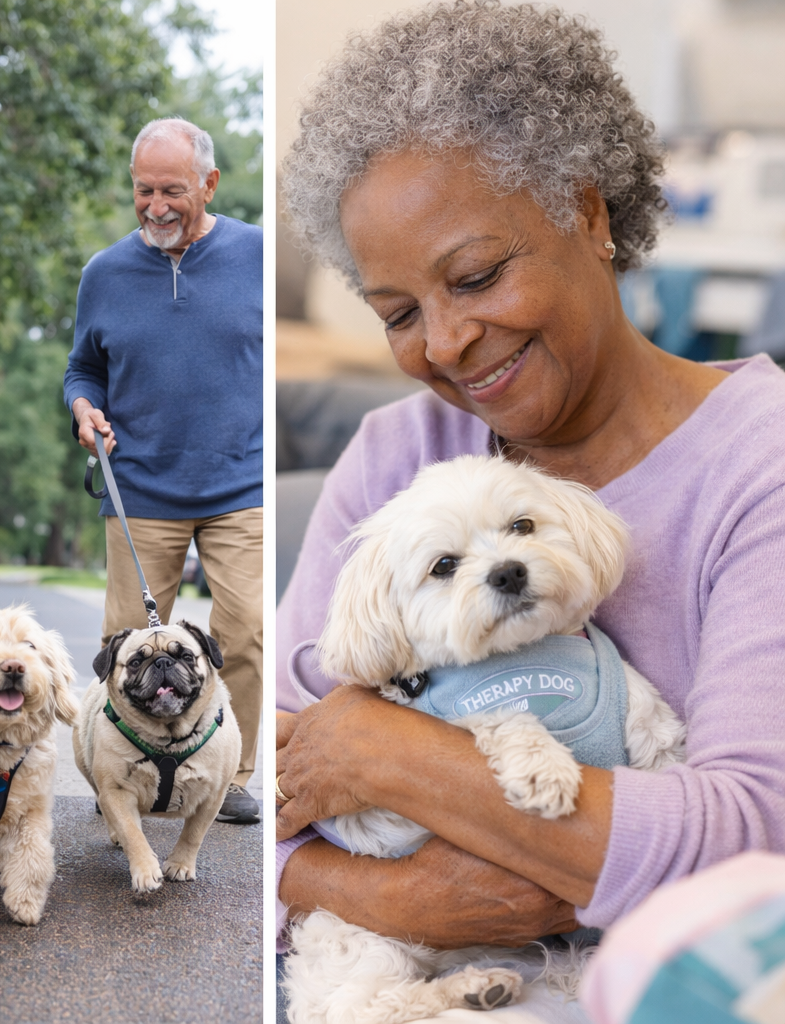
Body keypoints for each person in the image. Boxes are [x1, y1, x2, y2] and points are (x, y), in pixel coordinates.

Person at [275, 2, 785, 1020]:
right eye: (400, 314)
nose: (450, 341)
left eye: (476, 275)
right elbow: (280, 784)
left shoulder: (761, 465)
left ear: (590, 216)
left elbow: (753, 845)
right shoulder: (395, 454)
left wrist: (386, 750)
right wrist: (400, 897)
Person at [63, 117, 264, 824]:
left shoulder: (257, 256)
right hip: (139, 487)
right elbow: (83, 369)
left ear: (208, 183)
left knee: (244, 632)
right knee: (127, 642)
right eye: (143, 191)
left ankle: (231, 775)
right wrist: (83, 407)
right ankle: (120, 772)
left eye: (172, 190)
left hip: (242, 486)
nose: (156, 207)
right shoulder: (106, 272)